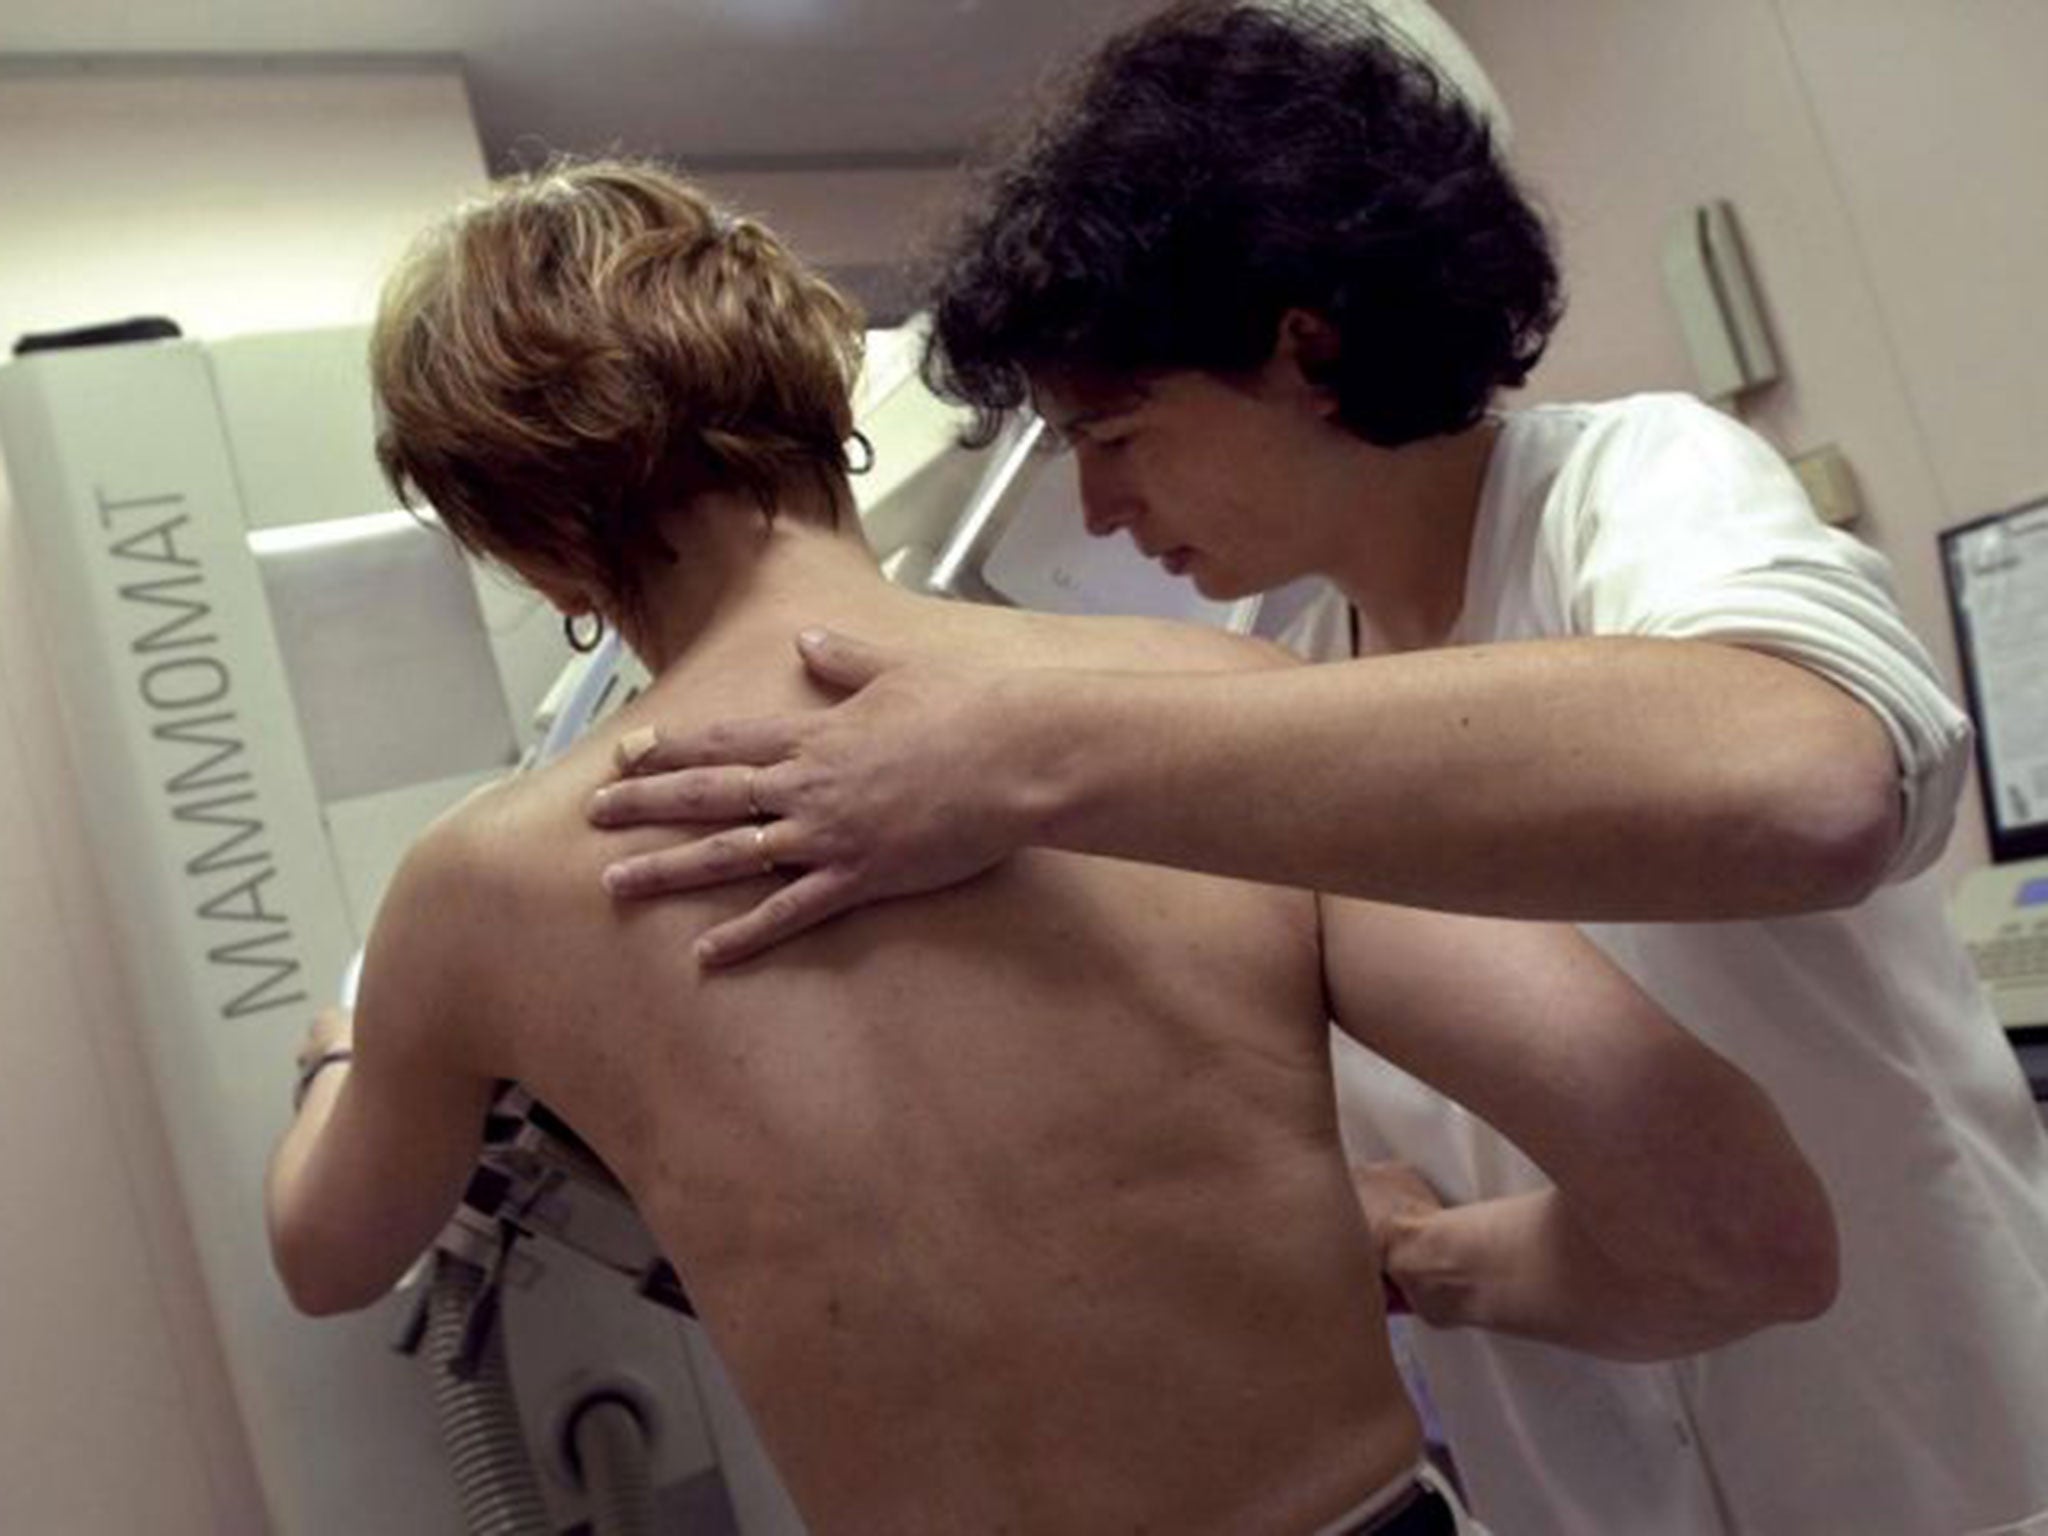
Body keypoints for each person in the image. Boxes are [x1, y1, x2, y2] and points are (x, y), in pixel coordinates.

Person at [579, 7, 2048, 1535]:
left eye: (1121, 431)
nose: (1097, 500)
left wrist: (1033, 745)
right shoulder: (1266, 660)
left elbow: (1802, 784)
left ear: (1311, 349)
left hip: (1936, 1457)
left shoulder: (1640, 487)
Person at [263, 157, 1840, 1536]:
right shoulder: (1222, 721)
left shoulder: (478, 898)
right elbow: (1742, 1229)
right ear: (823, 404)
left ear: (535, 544)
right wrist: (1426, 1258)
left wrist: (343, 1054)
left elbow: (330, 1254)